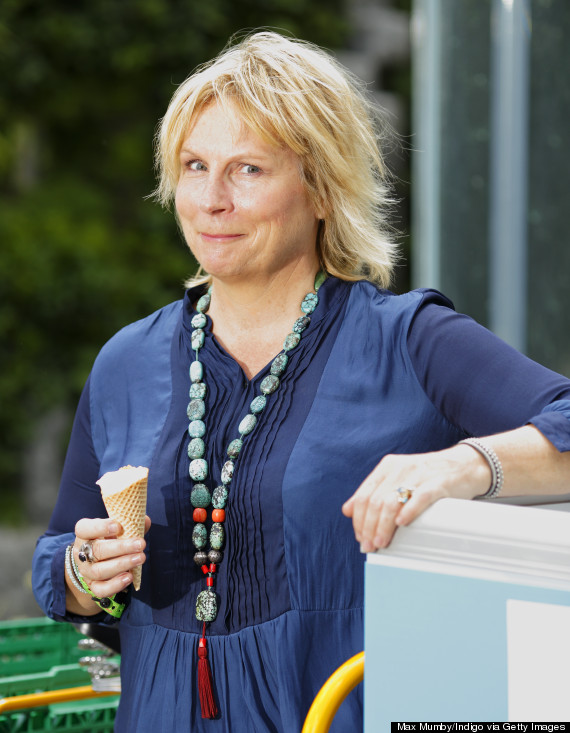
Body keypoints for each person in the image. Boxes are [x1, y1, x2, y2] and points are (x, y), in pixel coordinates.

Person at [32, 31, 570, 732]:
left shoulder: (407, 339)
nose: (211, 199)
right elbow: (57, 561)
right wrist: (83, 571)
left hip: (335, 711)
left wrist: (460, 466)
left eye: (248, 169)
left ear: (320, 187)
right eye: (194, 166)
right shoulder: (125, 361)